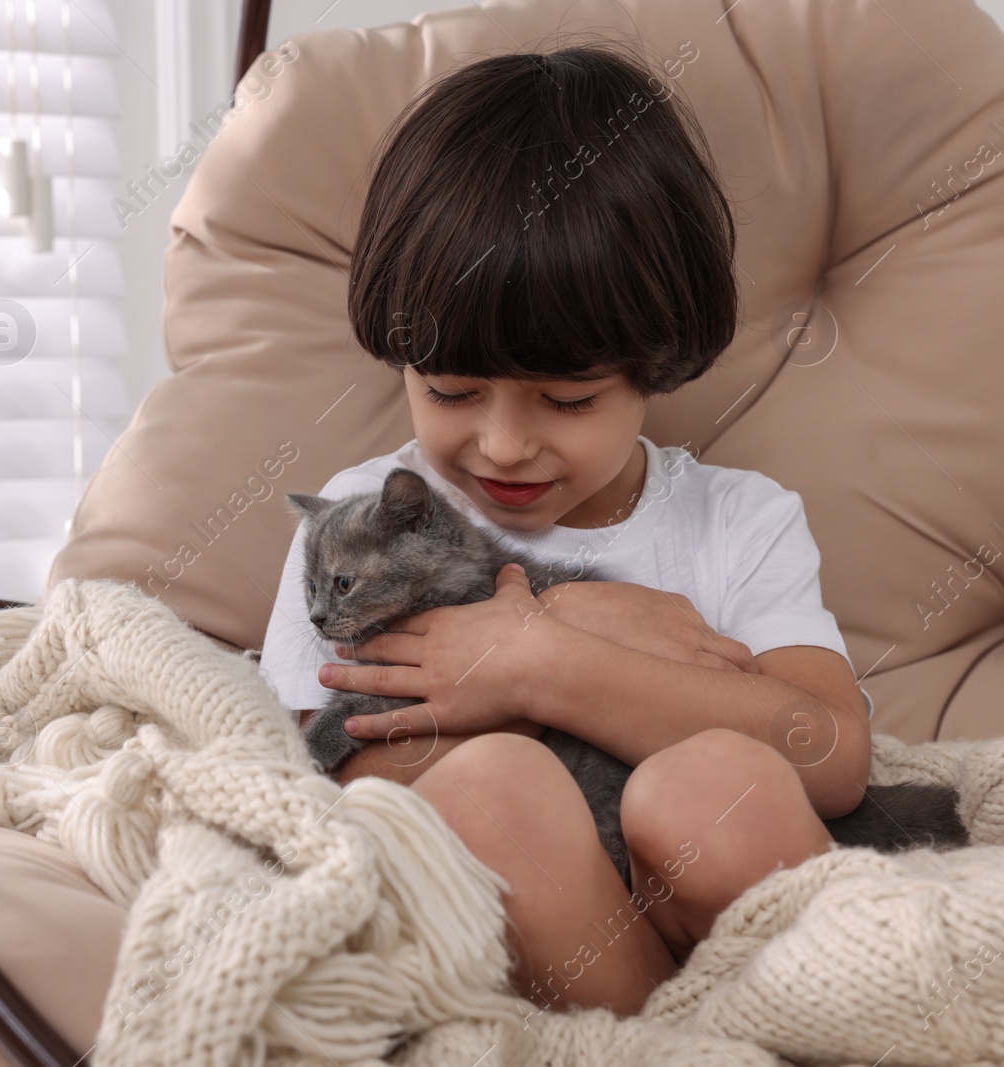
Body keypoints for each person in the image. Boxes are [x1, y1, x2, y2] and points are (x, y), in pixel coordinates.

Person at [257, 46, 871, 1022]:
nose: (502, 443)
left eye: (569, 396)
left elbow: (827, 750)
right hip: (540, 946)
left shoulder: (736, 517)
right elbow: (314, 778)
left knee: (711, 780)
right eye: (449, 389)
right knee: (492, 785)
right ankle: (652, 1048)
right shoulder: (357, 521)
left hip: (734, 942)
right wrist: (533, 647)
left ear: (656, 363)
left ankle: (773, 1028)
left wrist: (548, 657)